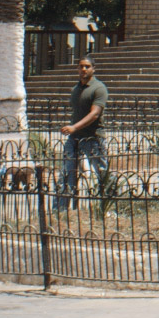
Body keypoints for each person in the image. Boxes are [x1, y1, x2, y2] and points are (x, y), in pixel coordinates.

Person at [54, 57, 108, 212]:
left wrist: (74, 127)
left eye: (87, 66)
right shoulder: (76, 89)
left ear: (93, 69)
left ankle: (106, 206)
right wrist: (73, 130)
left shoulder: (99, 88)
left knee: (101, 174)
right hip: (75, 138)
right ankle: (60, 209)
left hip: (93, 137)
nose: (84, 69)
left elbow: (95, 114)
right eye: (81, 66)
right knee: (67, 172)